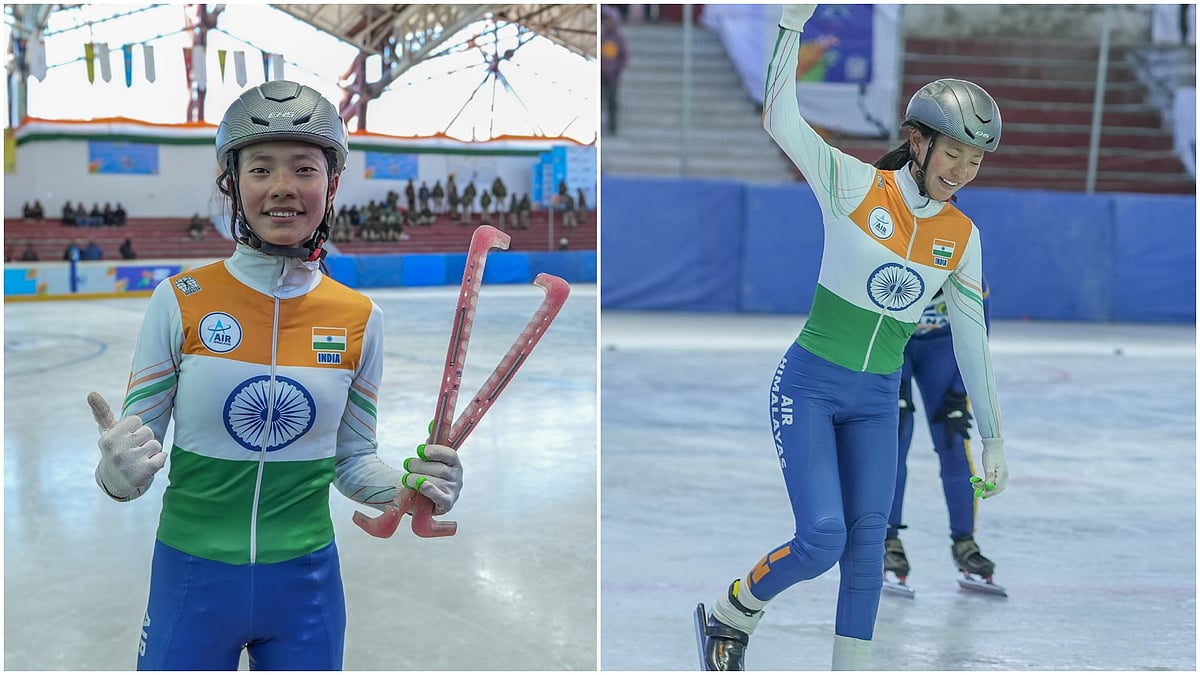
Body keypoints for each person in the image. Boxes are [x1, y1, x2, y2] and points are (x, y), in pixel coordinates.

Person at [84, 80, 464, 670]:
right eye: (261, 169)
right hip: (191, 575)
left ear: (330, 185)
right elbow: (137, 454)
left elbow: (351, 457)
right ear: (232, 184)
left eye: (304, 169)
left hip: (305, 585)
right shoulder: (180, 300)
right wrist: (116, 471)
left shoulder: (361, 317)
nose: (283, 188)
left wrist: (404, 491)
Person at [697, 5, 1007, 671]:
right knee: (823, 539)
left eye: (976, 160)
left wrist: (993, 434)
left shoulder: (964, 238)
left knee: (867, 553)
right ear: (919, 141)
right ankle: (732, 610)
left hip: (875, 401)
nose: (963, 170)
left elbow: (972, 341)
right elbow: (782, 119)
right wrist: (788, 26)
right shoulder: (852, 184)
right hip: (810, 385)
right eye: (955, 152)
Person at [886, 280, 997, 585]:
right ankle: (886, 538)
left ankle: (965, 542)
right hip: (897, 344)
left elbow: (978, 332)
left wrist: (960, 390)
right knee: (893, 437)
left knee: (953, 438)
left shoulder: (967, 263)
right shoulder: (897, 252)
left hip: (944, 349)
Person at [601, 6, 629, 134]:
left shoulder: (618, 39)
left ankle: (612, 126)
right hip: (601, 76)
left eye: (608, 20)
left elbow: (624, 57)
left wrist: (617, 71)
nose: (606, 23)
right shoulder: (602, 37)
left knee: (613, 102)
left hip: (613, 77)